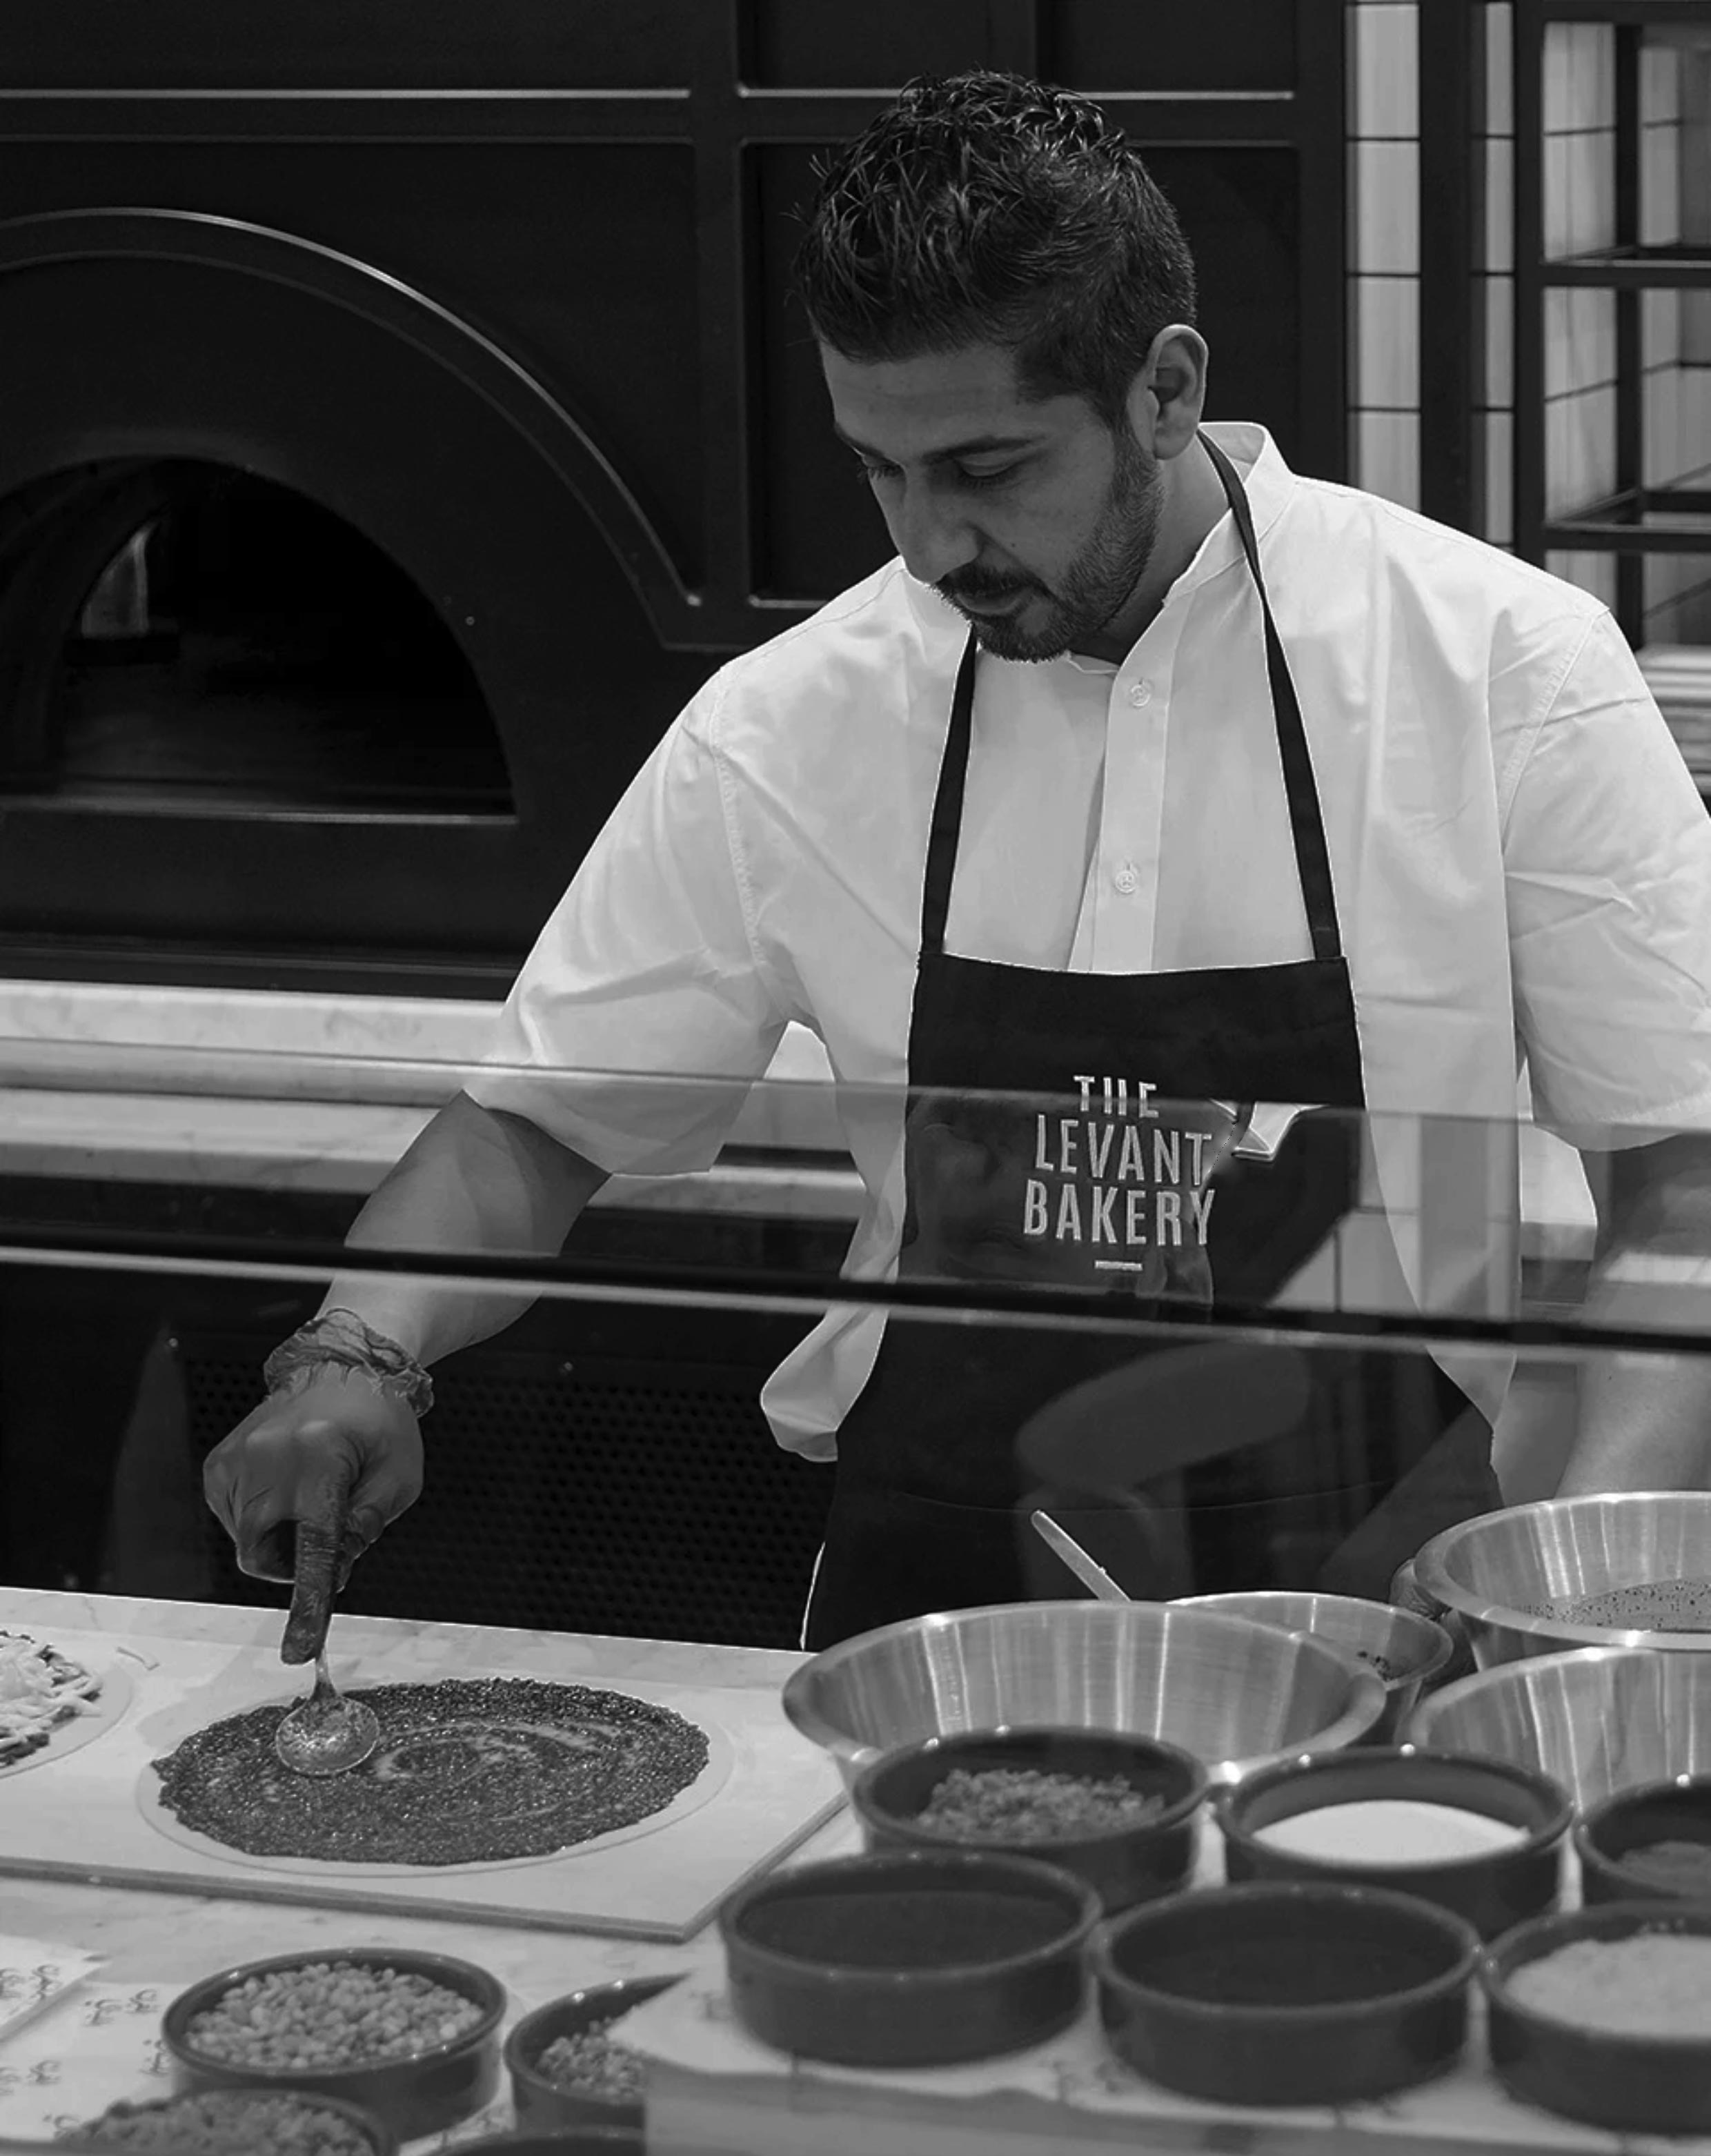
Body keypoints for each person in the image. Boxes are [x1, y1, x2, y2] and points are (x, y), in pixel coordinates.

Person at [205, 71, 1711, 1647]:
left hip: (1388, 1575)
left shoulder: (1497, 667)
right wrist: (354, 1351)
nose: (927, 547)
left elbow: (1682, 1199)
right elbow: (534, 1125)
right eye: (881, 470)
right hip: (935, 1606)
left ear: (1166, 389)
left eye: (987, 470)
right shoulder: (792, 719)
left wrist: (1576, 1597)